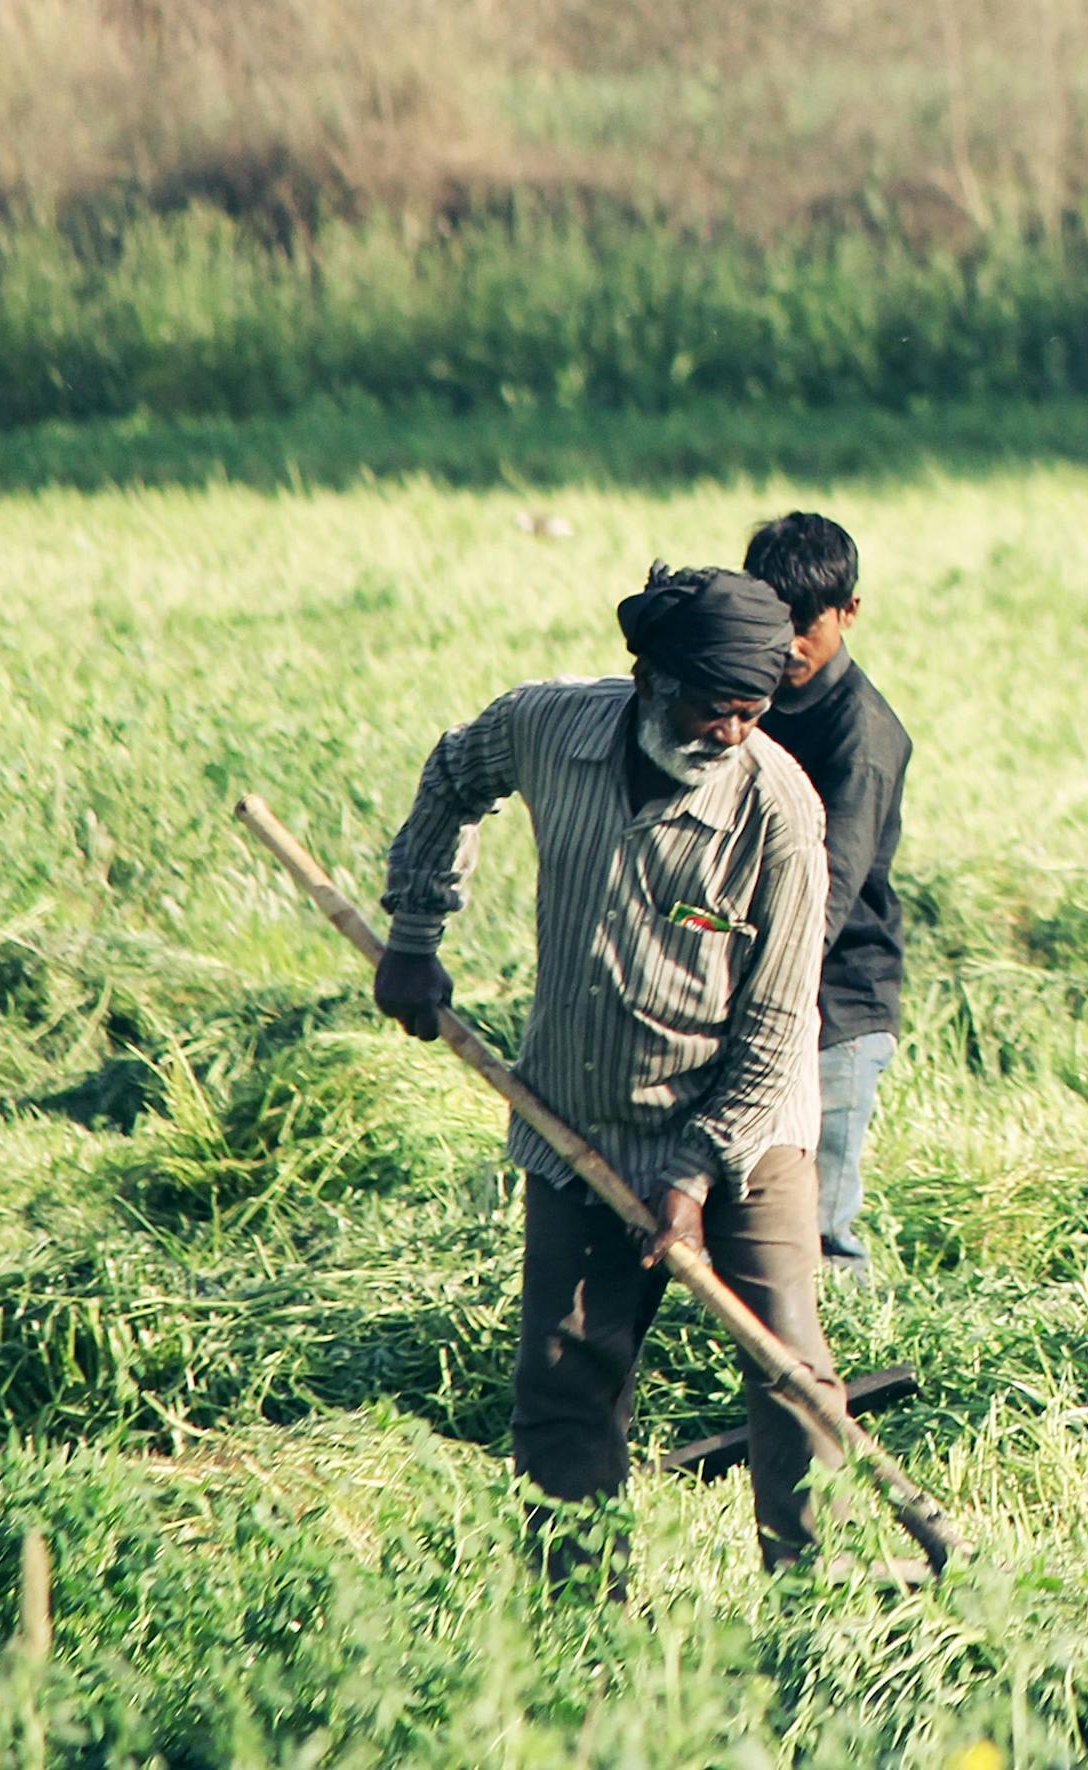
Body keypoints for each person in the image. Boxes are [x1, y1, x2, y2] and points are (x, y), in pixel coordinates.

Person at [372, 564, 840, 1575]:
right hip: (576, 1120)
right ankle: (581, 1611)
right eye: (714, 709)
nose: (729, 734)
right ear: (649, 680)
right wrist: (415, 930)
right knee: (563, 1379)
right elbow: (454, 776)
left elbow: (775, 1023)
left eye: (751, 714)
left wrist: (691, 1175)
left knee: (788, 1369)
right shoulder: (547, 727)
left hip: (742, 1131)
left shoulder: (780, 812)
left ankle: (817, 1595)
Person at [744, 512, 913, 1277]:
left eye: (806, 623)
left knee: (819, 1226)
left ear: (849, 611)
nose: (790, 645)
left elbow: (829, 893)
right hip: (755, 980)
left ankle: (837, 1383)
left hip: (837, 1004)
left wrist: (755, 992)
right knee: (746, 1207)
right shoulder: (744, 702)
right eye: (773, 621)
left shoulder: (863, 737)